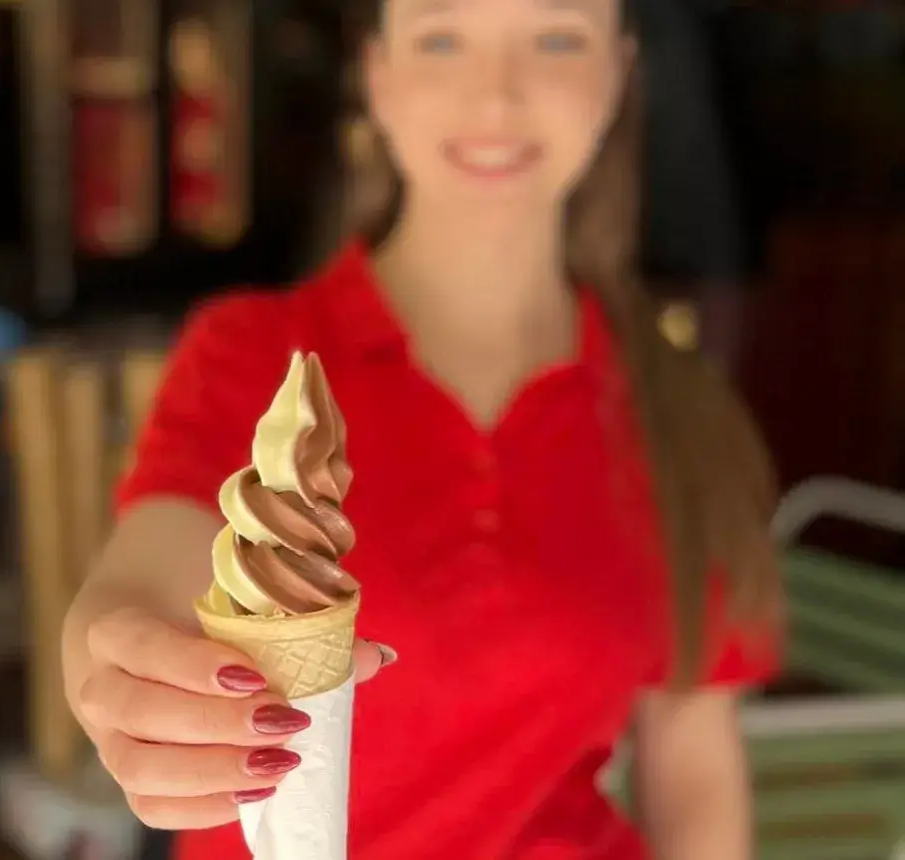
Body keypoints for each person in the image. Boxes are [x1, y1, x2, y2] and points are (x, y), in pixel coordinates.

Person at [62, 0, 782, 857]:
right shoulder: (252, 354)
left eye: (557, 39)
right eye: (442, 39)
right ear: (378, 76)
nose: (496, 95)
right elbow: (140, 579)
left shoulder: (681, 409)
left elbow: (694, 768)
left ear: (619, 74)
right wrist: (127, 674)